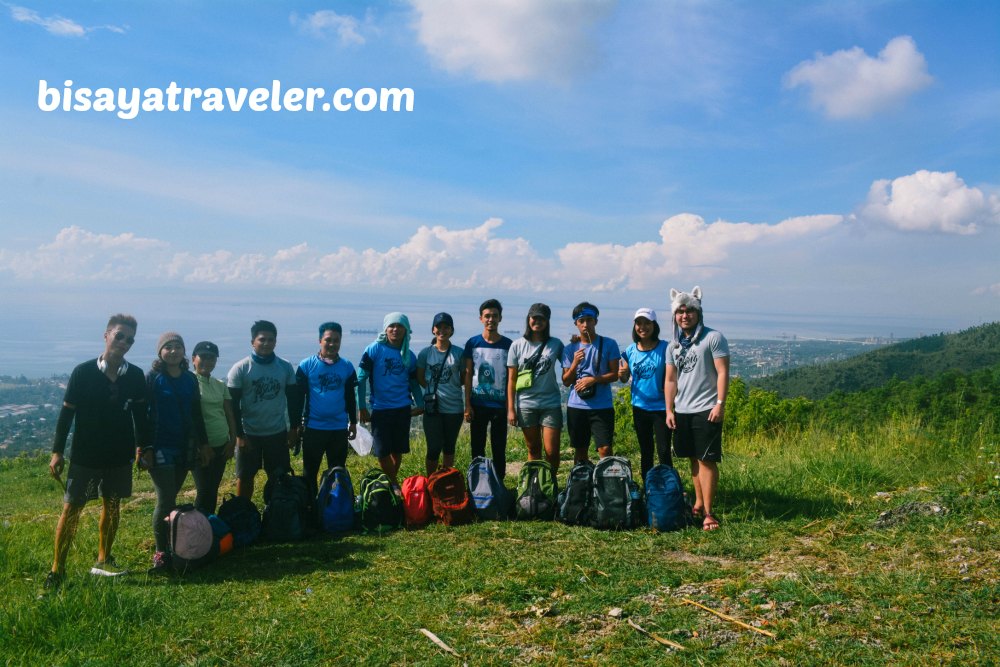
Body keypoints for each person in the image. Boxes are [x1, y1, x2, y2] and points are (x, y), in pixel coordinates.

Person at [45, 314, 150, 590]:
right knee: (71, 510)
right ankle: (57, 569)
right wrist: (57, 452)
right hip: (85, 455)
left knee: (113, 505)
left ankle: (103, 559)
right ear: (106, 335)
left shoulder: (136, 376)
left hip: (119, 454)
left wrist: (143, 447)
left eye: (130, 339)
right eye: (119, 336)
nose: (124, 342)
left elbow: (141, 417)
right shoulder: (83, 372)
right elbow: (66, 415)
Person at [140, 333, 209, 573]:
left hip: (185, 446)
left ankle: (175, 546)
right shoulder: (153, 378)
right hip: (160, 446)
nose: (173, 351)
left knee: (172, 496)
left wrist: (204, 444)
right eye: (168, 347)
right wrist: (144, 446)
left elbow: (196, 414)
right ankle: (161, 554)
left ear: (184, 352)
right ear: (160, 352)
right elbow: (143, 415)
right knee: (166, 498)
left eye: (177, 347)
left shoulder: (190, 379)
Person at [664, 287, 730, 532]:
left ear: (698, 311)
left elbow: (723, 372)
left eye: (689, 310)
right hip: (682, 410)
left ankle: (709, 513)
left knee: (707, 460)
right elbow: (671, 380)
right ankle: (699, 502)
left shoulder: (713, 338)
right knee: (693, 457)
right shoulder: (674, 346)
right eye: (680, 311)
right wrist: (669, 410)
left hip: (706, 408)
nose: (684, 315)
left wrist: (720, 404)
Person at [226, 320, 301, 500]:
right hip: (249, 434)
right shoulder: (241, 368)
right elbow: (233, 405)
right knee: (245, 477)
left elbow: (293, 400)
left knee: (279, 476)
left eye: (270, 339)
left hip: (276, 432)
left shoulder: (284, 367)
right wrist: (239, 435)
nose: (266, 343)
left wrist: (293, 429)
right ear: (253, 342)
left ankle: (277, 512)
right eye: (262, 339)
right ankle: (243, 511)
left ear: (275, 342)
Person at [357, 312, 424, 487]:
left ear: (406, 330)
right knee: (382, 450)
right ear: (385, 329)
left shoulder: (409, 355)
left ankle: (391, 484)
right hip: (380, 408)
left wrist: (421, 403)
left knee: (397, 448)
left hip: (402, 408)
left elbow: (414, 383)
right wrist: (362, 406)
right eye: (391, 326)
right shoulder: (374, 349)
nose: (395, 329)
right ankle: (393, 482)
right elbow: (361, 378)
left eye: (400, 326)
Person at [295, 322, 358, 506]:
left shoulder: (346, 366)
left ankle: (334, 507)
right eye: (328, 340)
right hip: (313, 427)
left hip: (338, 427)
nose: (332, 344)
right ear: (319, 341)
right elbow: (299, 398)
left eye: (336, 340)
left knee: (337, 471)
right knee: (310, 471)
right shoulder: (307, 365)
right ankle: (310, 508)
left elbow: (350, 397)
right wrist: (297, 424)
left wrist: (353, 422)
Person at [506, 303, 564, 473]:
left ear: (547, 321)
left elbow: (568, 363)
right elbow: (511, 379)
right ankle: (536, 485)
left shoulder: (555, 344)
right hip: (526, 404)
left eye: (541, 318)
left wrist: (576, 341)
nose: (537, 321)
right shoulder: (517, 345)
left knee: (552, 452)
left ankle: (550, 483)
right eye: (534, 317)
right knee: (533, 450)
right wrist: (511, 409)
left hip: (550, 403)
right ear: (528, 319)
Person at [562, 302, 620, 463]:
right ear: (576, 324)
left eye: (589, 319)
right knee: (580, 450)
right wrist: (574, 363)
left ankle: (606, 483)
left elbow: (614, 375)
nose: (586, 324)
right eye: (581, 321)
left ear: (595, 321)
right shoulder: (570, 348)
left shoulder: (609, 344)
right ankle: (582, 483)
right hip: (577, 405)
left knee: (605, 449)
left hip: (602, 406)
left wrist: (593, 379)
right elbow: (566, 381)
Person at [618, 308, 672, 481]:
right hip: (640, 407)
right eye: (639, 323)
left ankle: (667, 486)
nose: (643, 327)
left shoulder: (665, 348)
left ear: (654, 325)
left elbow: (674, 375)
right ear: (634, 326)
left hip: (662, 407)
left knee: (664, 450)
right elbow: (625, 377)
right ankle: (648, 486)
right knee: (646, 450)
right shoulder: (630, 351)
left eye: (647, 323)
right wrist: (622, 373)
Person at [463, 299, 513, 479]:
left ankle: (499, 486)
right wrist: (467, 405)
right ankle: (477, 484)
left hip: (499, 405)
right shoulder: (473, 343)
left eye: (494, 316)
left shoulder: (508, 344)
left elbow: (510, 378)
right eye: (487, 316)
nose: (490, 319)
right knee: (477, 448)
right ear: (480, 318)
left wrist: (510, 407)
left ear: (500, 318)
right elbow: (468, 375)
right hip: (478, 404)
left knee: (499, 449)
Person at [190, 341, 237, 515]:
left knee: (213, 488)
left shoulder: (219, 384)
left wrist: (232, 441)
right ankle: (197, 530)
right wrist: (200, 445)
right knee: (204, 490)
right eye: (203, 357)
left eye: (212, 358)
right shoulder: (190, 382)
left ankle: (208, 527)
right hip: (201, 447)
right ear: (193, 359)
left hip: (222, 445)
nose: (207, 362)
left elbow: (229, 414)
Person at [417, 313, 465, 475]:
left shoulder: (459, 353)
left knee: (449, 447)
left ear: (452, 330)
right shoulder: (425, 353)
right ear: (433, 330)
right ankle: (431, 481)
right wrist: (432, 391)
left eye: (446, 327)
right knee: (434, 448)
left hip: (454, 407)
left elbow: (463, 379)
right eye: (439, 327)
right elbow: (420, 377)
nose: (442, 331)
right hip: (433, 408)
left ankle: (445, 481)